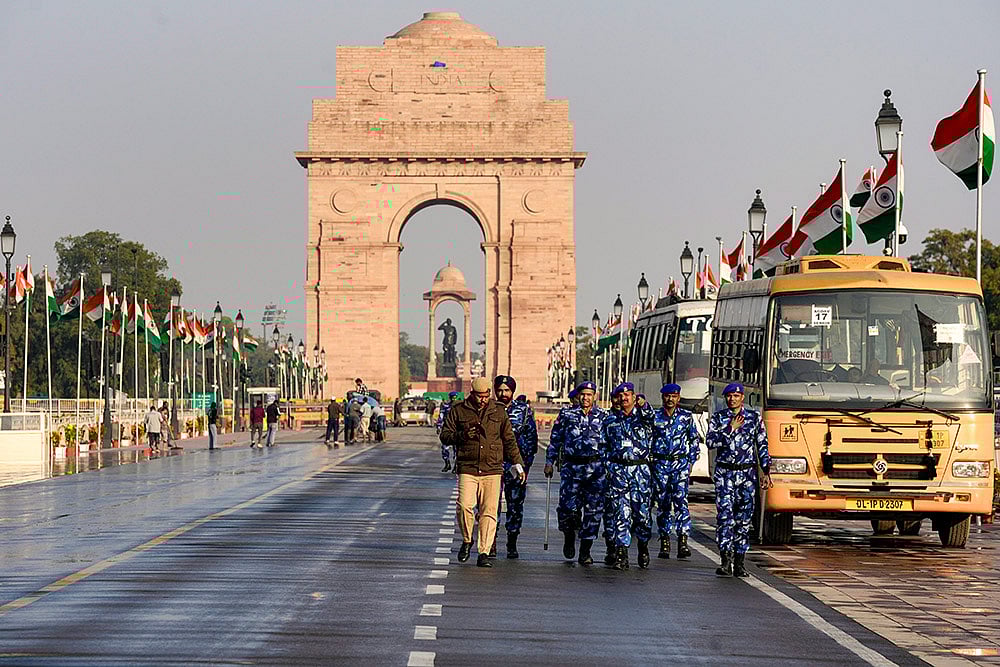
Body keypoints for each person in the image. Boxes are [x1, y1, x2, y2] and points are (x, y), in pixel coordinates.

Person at [441, 377, 525, 568]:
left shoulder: (499, 411)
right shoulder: (459, 410)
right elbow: (445, 436)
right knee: (464, 506)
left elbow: (509, 440)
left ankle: (484, 552)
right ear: (473, 394)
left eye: (486, 396)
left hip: (492, 468)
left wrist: (518, 463)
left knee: (489, 511)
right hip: (468, 467)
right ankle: (467, 539)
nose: (483, 400)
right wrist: (462, 435)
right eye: (479, 396)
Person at [706, 383, 772, 577]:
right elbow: (710, 442)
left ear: (742, 397)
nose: (732, 399)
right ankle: (725, 560)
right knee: (725, 518)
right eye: (729, 396)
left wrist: (766, 471)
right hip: (725, 474)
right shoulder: (719, 418)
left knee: (743, 520)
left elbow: (762, 444)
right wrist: (730, 429)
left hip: (746, 475)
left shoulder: (753, 418)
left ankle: (740, 561)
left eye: (736, 395)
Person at [544, 381, 608, 565]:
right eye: (583, 394)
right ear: (578, 396)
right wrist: (550, 461)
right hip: (571, 468)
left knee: (593, 511)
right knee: (567, 509)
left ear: (595, 396)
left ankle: (585, 550)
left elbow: (611, 442)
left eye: (589, 394)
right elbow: (555, 439)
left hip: (595, 470)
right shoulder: (567, 415)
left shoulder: (604, 416)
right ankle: (569, 536)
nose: (586, 398)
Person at [601, 382, 656, 570]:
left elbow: (651, 418)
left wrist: (644, 406)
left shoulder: (643, 417)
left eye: (628, 395)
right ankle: (622, 554)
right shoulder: (610, 421)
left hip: (640, 472)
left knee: (642, 515)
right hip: (619, 472)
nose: (625, 398)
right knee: (621, 514)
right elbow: (603, 446)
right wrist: (609, 466)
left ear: (634, 397)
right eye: (621, 396)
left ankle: (642, 546)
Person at [651, 383, 701, 560]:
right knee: (663, 504)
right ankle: (665, 540)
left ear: (678, 398)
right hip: (661, 465)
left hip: (679, 465)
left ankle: (683, 540)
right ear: (662, 398)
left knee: (681, 502)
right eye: (667, 396)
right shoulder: (655, 417)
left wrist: (690, 463)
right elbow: (649, 440)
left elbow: (694, 440)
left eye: (673, 396)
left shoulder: (686, 417)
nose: (670, 399)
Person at [493, 375, 538, 559]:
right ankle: (490, 541)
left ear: (513, 391)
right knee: (490, 506)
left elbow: (531, 438)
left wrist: (524, 464)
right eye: (500, 390)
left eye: (507, 390)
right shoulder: (489, 409)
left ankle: (512, 541)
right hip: (493, 463)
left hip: (515, 464)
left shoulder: (523, 410)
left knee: (515, 505)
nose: (503, 394)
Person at [437, 391, 459, 472]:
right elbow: (441, 416)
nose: (454, 399)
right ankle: (447, 464)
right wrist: (439, 426)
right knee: (444, 448)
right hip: (447, 429)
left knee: (457, 449)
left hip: (457, 430)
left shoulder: (460, 406)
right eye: (453, 397)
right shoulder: (445, 406)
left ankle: (456, 466)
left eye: (455, 397)